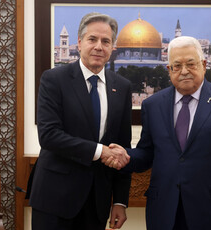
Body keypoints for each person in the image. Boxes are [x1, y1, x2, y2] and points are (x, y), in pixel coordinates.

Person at [108, 36, 211, 230]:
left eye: (191, 64)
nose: (184, 71)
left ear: (203, 65)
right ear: (169, 70)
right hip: (165, 210)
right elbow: (147, 152)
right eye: (177, 66)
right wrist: (125, 156)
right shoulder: (153, 105)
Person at [26, 12, 132, 230]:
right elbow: (49, 136)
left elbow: (122, 145)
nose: (98, 47)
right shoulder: (54, 79)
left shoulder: (122, 87)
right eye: (92, 39)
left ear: (113, 47)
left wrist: (120, 201)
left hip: (97, 201)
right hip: (54, 197)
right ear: (80, 42)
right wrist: (101, 151)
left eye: (106, 41)